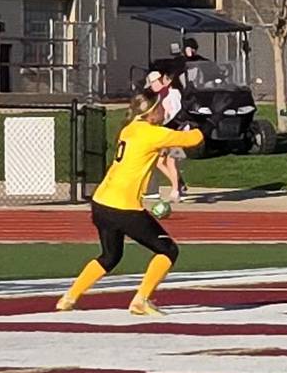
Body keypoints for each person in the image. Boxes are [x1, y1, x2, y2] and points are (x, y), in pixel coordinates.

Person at [56, 88, 204, 316]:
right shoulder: (152, 134)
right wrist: (205, 121)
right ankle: (141, 300)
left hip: (101, 202)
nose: (165, 110)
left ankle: (69, 297)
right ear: (153, 111)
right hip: (124, 207)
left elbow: (161, 134)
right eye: (162, 107)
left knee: (110, 256)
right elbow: (193, 139)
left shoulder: (130, 129)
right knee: (168, 250)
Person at [146, 70, 189, 202]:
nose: (151, 88)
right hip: (166, 132)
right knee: (159, 161)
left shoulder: (173, 93)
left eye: (152, 84)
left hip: (176, 131)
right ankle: (178, 183)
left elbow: (176, 113)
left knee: (171, 161)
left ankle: (176, 190)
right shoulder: (161, 96)